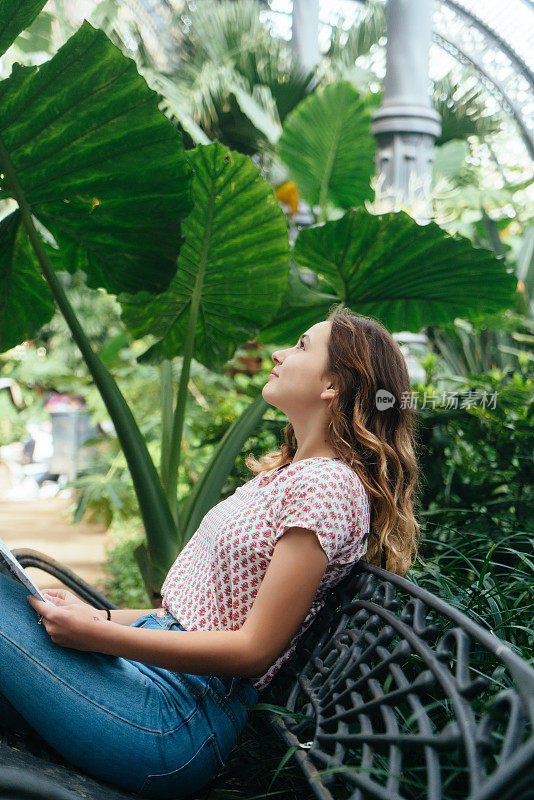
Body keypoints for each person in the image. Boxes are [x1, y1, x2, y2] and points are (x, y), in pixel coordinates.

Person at [0, 306, 421, 799]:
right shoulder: (289, 476)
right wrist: (102, 616)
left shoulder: (328, 486)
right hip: (151, 681)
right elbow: (189, 615)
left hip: (174, 717)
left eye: (303, 346)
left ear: (333, 385)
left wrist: (99, 637)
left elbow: (252, 650)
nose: (281, 354)